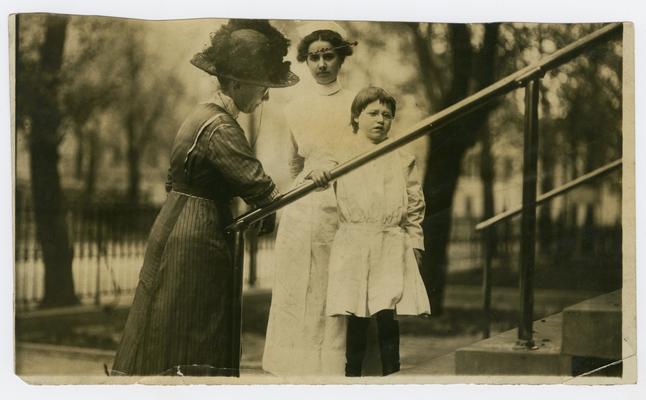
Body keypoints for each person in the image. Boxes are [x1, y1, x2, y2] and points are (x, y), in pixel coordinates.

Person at [111, 19, 299, 376]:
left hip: (175, 223)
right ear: (239, 83)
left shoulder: (199, 116)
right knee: (192, 330)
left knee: (164, 325)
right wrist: (269, 213)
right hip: (197, 240)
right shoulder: (221, 127)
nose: (266, 95)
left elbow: (173, 180)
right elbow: (260, 187)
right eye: (262, 86)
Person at [262, 22, 358, 376]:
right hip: (302, 203)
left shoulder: (355, 103)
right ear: (305, 61)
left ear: (340, 58)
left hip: (342, 200)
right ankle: (291, 365)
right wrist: (305, 183)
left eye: (328, 56)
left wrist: (335, 170)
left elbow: (365, 149)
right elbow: (293, 162)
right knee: (294, 283)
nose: (321, 65)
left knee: (328, 285)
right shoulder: (295, 107)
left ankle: (329, 367)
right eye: (314, 57)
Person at [325, 87, 431, 377]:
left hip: (389, 242)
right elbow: (320, 169)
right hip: (355, 240)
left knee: (387, 313)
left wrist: (415, 243)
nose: (380, 120)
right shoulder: (341, 152)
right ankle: (352, 378)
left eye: (387, 115)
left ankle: (392, 376)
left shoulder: (401, 156)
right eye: (372, 113)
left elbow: (413, 205)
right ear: (356, 117)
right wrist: (320, 170)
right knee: (356, 314)